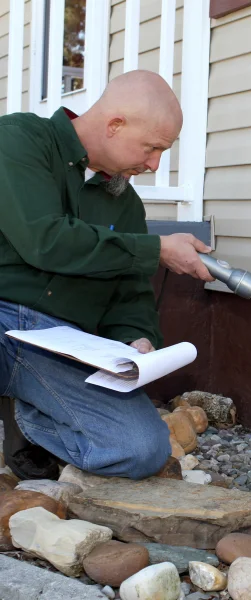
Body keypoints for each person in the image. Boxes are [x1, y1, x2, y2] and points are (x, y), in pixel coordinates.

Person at [0, 70, 214, 481]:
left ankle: (30, 425)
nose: (153, 164)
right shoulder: (18, 139)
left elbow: (131, 294)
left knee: (142, 450)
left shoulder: (126, 204)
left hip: (58, 344)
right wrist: (157, 249)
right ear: (115, 125)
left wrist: (138, 338)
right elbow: (44, 239)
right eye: (152, 148)